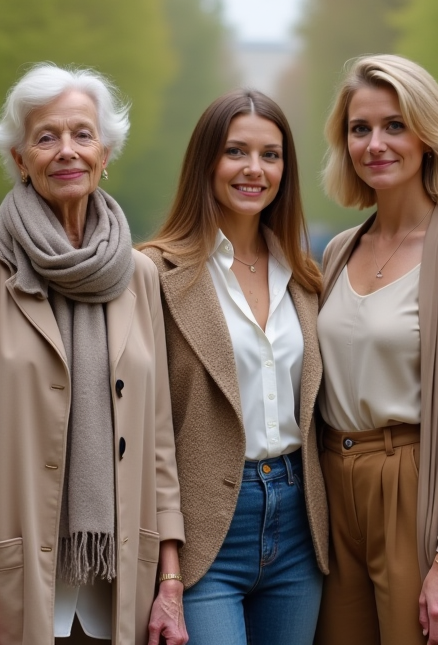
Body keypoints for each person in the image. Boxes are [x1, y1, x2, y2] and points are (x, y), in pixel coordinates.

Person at [0, 64, 186, 645]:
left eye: (82, 134)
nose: (66, 151)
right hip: (11, 575)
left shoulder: (141, 276)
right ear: (20, 159)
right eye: (46, 137)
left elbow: (159, 438)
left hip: (121, 577)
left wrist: (169, 581)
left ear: (105, 153)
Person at [314, 55, 438, 645]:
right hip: (330, 485)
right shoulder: (339, 250)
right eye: (359, 128)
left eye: (395, 125)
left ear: (428, 135)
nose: (375, 143)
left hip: (410, 486)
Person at [139, 89, 328, 645]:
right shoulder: (153, 273)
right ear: (206, 162)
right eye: (236, 152)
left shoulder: (304, 276)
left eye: (271, 155)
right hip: (205, 531)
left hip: (299, 526)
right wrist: (169, 569)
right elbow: (150, 431)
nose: (254, 169)